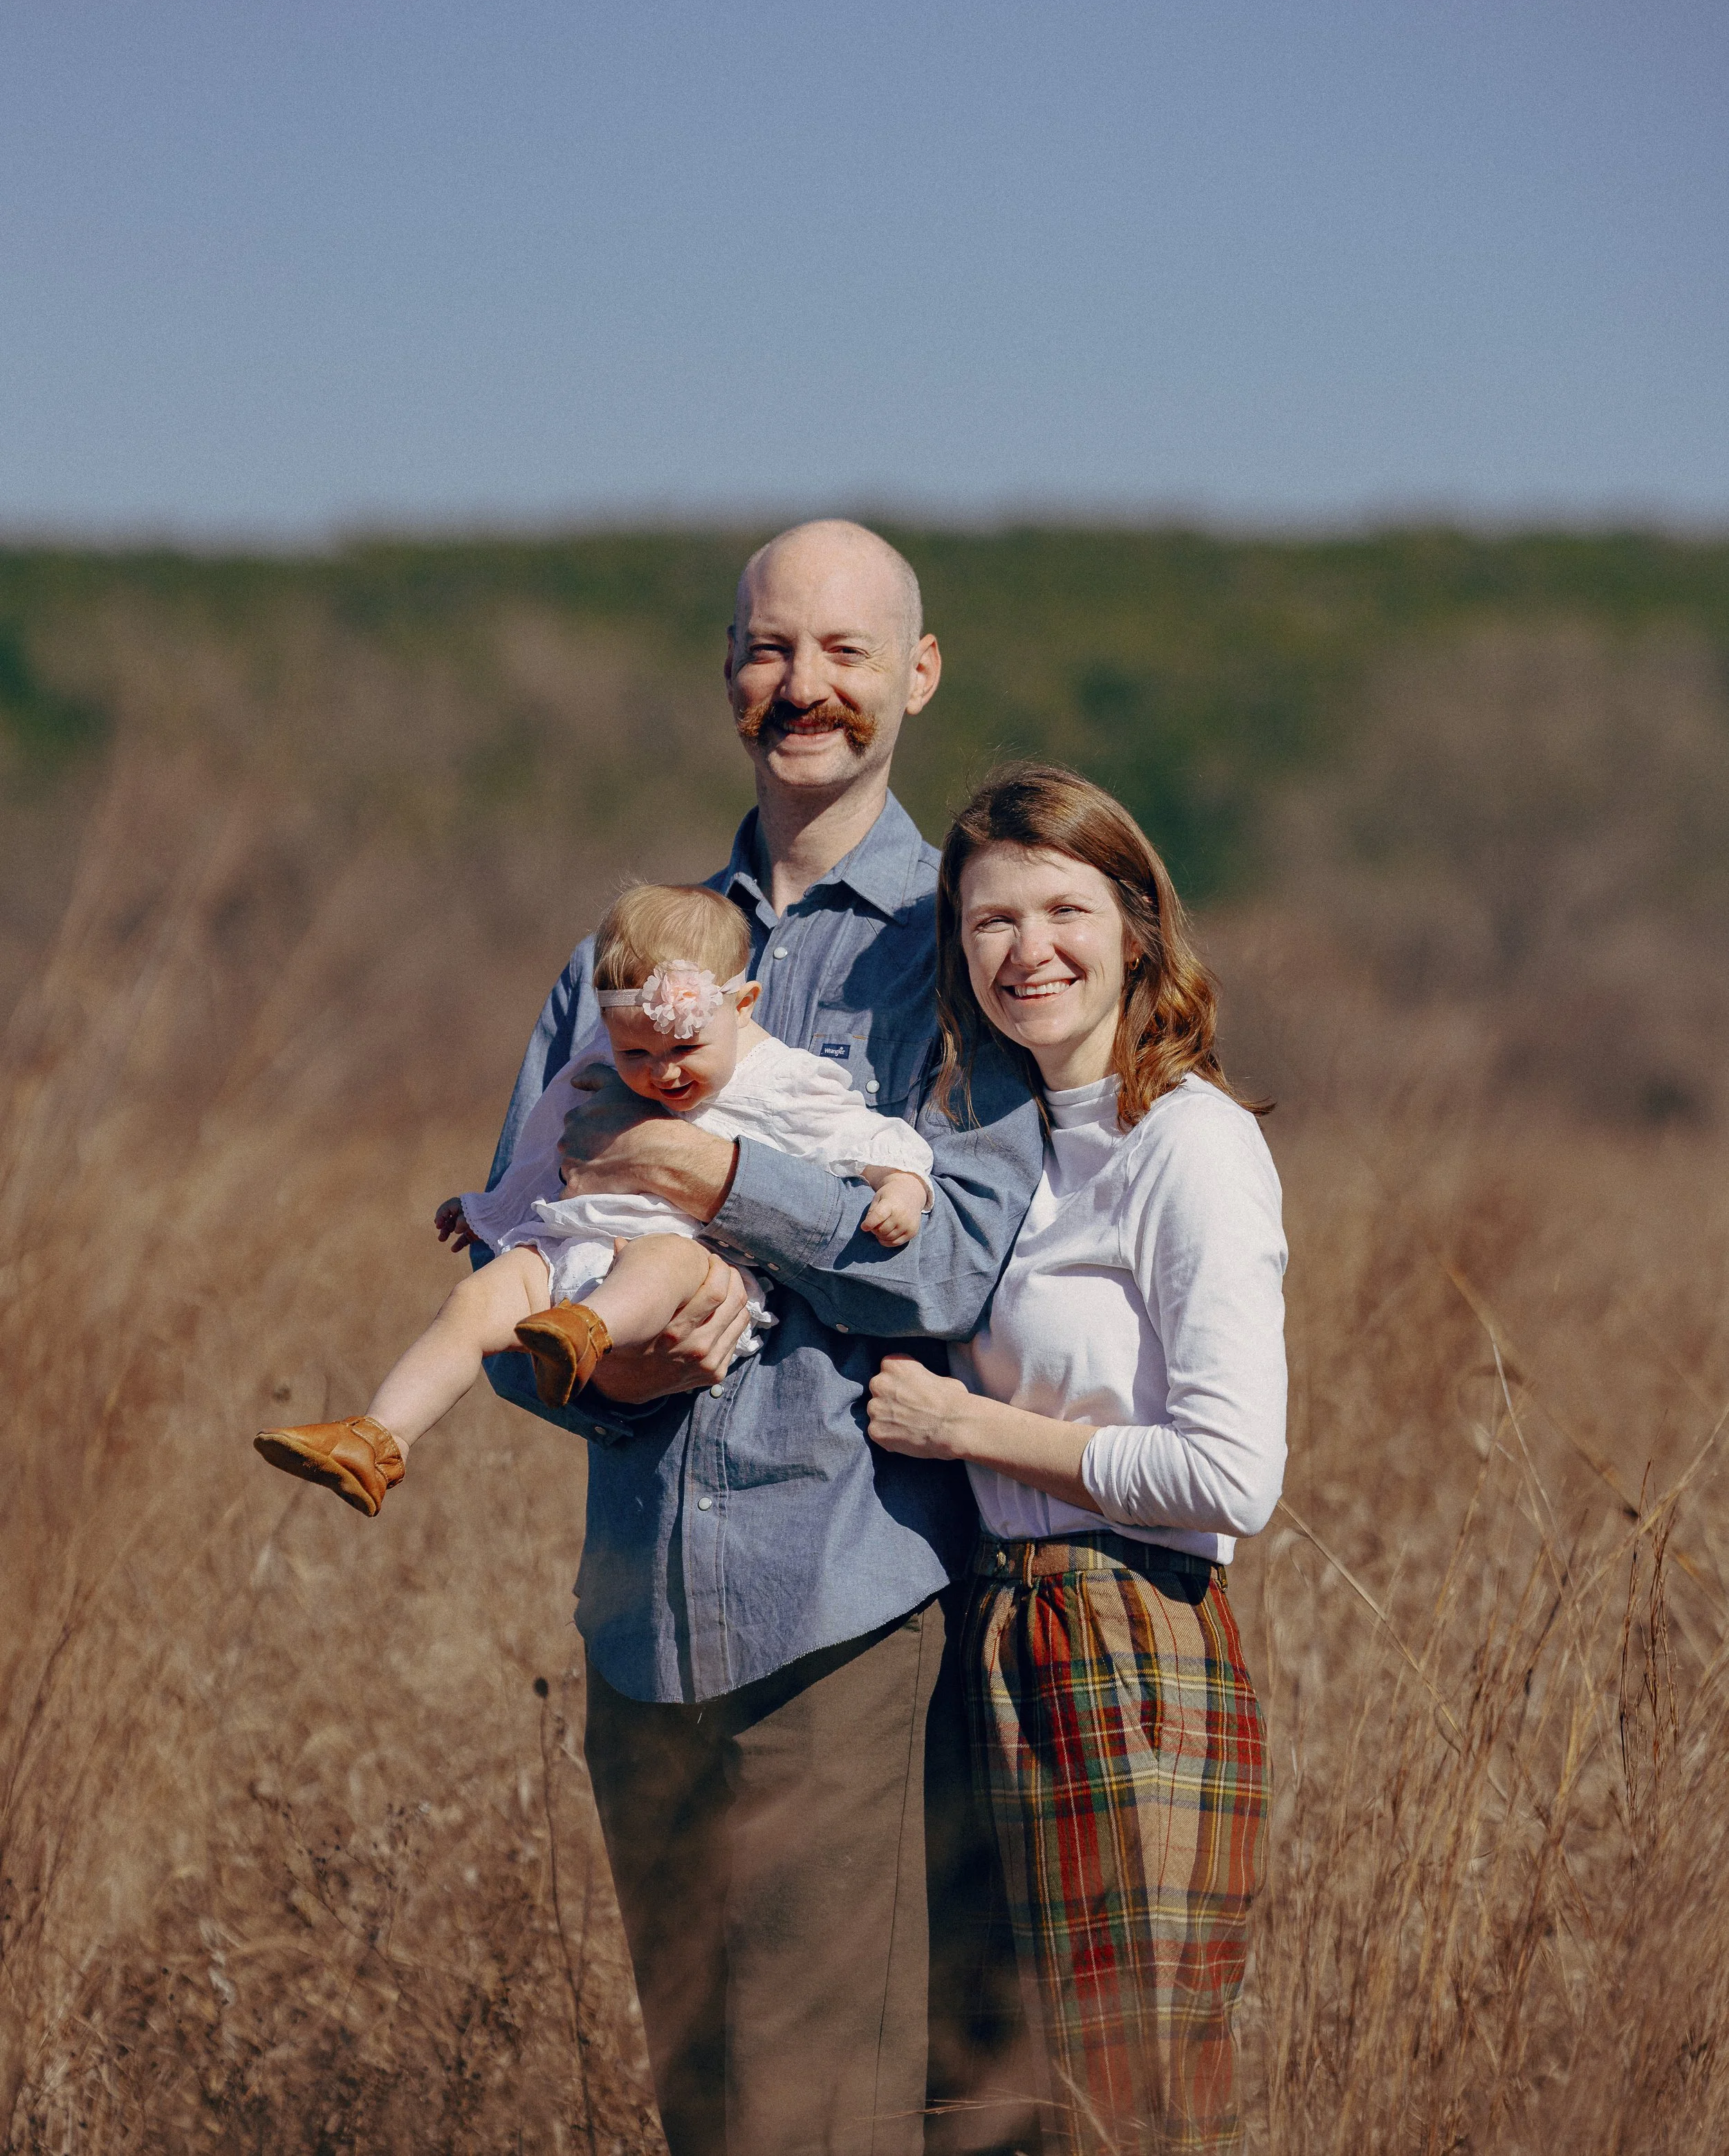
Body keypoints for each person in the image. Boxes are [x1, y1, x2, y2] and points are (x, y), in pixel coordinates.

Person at [480, 523, 1046, 2156]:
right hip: (637, 1635)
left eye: (848, 652)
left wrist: (730, 1176)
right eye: (770, 650)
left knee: (824, 2122)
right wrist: (598, 1369)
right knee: (709, 2119)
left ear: (917, 676)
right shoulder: (626, 954)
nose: (805, 686)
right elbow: (525, 1264)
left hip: (846, 1617)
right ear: (728, 671)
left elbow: (959, 1258)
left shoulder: (964, 944)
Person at [865, 763, 1286, 2155]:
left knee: (1123, 2100)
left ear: (1136, 929)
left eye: (1062, 907)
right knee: (981, 2103)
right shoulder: (992, 1147)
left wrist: (969, 1426)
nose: (1026, 947)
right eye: (989, 918)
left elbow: (1231, 1472)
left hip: (1125, 1629)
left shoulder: (1192, 1144)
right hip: (985, 1630)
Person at [251, 881, 935, 1516]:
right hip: (576, 1240)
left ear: (744, 1004)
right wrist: (490, 1209)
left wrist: (901, 1185)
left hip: (696, 1268)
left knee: (659, 1257)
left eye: (684, 1046)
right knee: (474, 1301)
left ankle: (585, 1330)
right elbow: (545, 1146)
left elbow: (867, 1134)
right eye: (637, 1052)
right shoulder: (599, 1068)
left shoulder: (781, 1080)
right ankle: (379, 1438)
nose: (662, 1071)